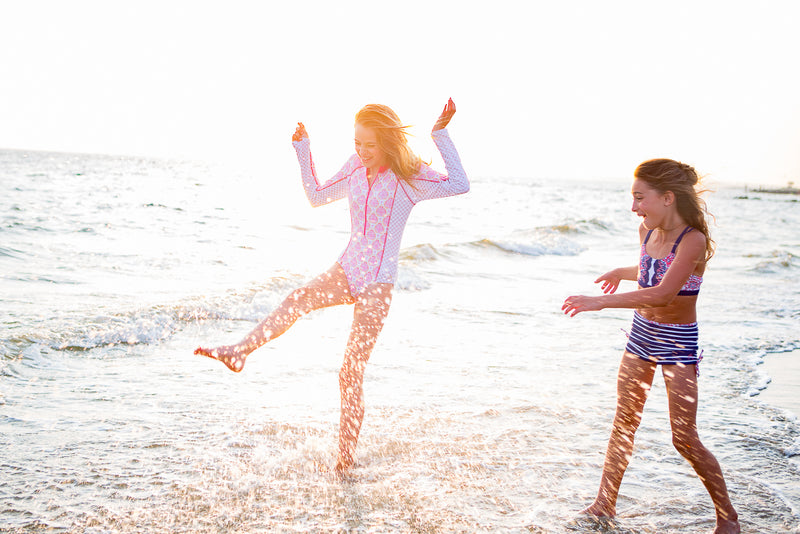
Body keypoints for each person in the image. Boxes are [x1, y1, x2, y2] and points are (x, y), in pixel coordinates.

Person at [195, 98, 469, 472]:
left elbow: (459, 183)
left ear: (387, 141)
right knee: (297, 298)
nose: (362, 150)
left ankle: (345, 461)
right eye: (357, 142)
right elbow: (317, 196)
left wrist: (440, 133)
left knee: (350, 370)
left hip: (378, 283)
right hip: (347, 268)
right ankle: (239, 351)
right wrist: (303, 149)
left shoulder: (409, 174)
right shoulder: (356, 167)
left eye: (370, 144)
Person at [561, 159, 740, 534]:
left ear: (668, 198)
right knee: (624, 424)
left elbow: (662, 293)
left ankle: (728, 517)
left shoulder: (693, 240)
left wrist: (599, 301)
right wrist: (620, 272)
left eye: (640, 197)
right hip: (641, 336)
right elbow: (650, 270)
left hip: (678, 343)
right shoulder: (646, 230)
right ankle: (603, 504)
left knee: (684, 438)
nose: (634, 207)